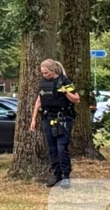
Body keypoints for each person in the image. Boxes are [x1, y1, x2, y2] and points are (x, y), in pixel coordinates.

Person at [29, 59, 81, 188]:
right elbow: (39, 101)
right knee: (52, 150)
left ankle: (66, 177)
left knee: (61, 149)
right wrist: (33, 119)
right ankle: (57, 177)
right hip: (48, 118)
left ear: (53, 70)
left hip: (63, 119)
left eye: (46, 73)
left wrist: (65, 92)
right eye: (42, 73)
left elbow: (76, 99)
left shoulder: (64, 81)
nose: (44, 75)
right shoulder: (43, 83)